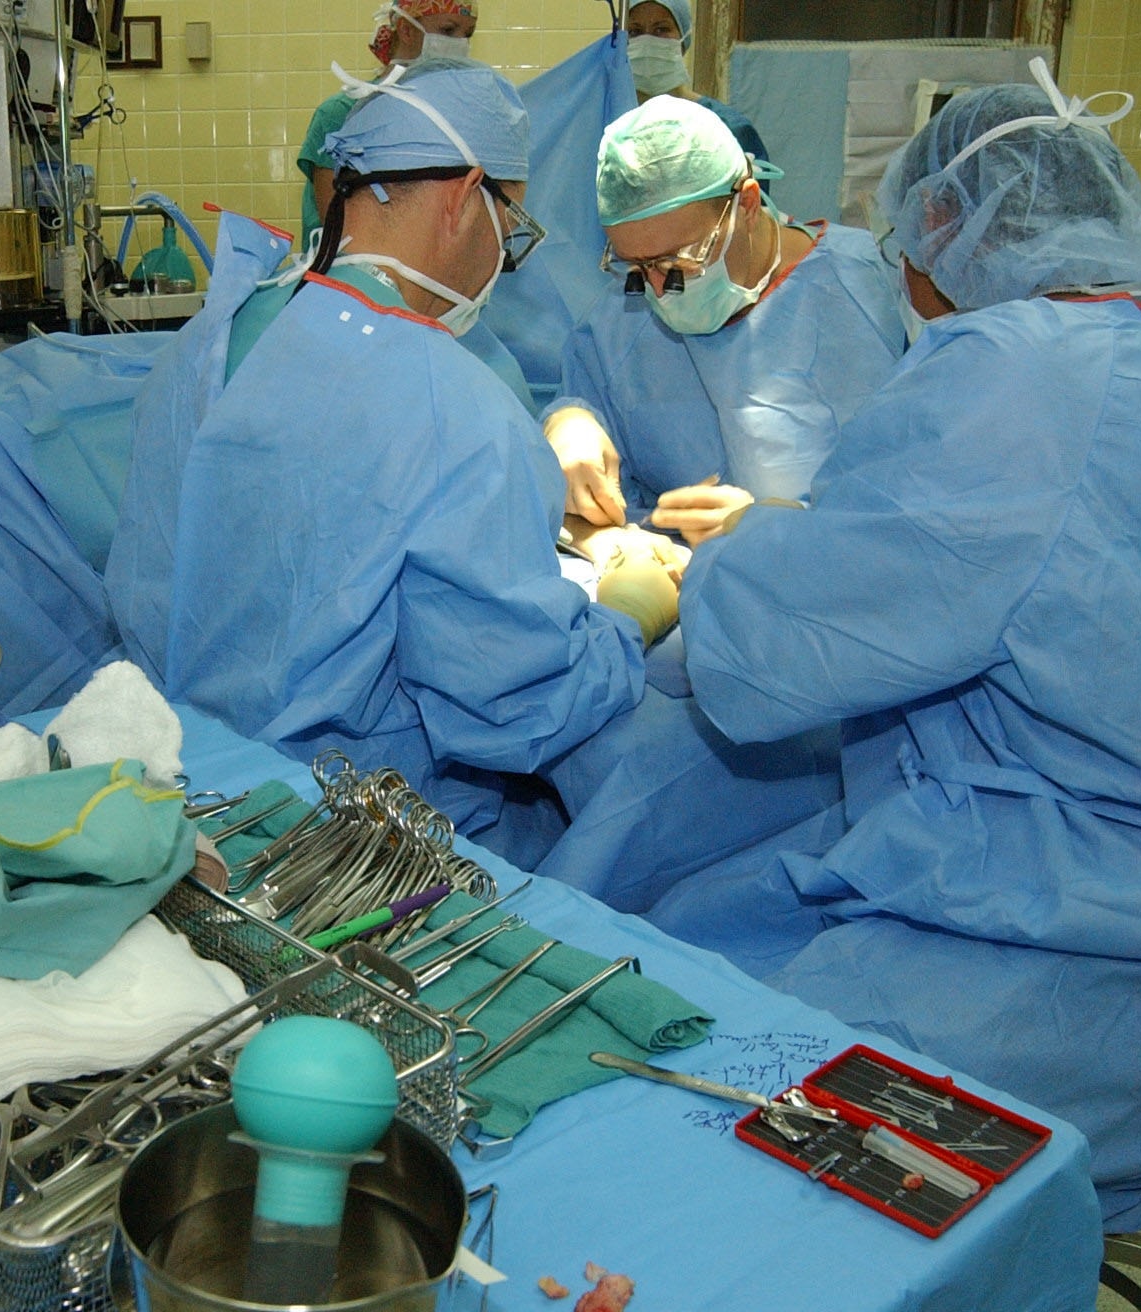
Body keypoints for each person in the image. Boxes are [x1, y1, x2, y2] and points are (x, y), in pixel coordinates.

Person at [654, 66, 1141, 1231]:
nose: (900, 284)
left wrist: (699, 573)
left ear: (945, 235)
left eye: (901, 258)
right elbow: (1027, 564)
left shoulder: (1018, 367)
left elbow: (799, 642)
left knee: (718, 1115)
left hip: (1099, 953)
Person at [106, 60, 822, 875]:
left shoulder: (206, 339)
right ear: (462, 198)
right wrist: (625, 615)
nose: (505, 254)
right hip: (345, 840)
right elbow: (518, 712)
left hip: (169, 784)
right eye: (511, 222)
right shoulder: (455, 405)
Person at [546, 95, 904, 555]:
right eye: (637, 266)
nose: (658, 288)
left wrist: (780, 530)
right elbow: (585, 465)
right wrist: (567, 420)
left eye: (680, 261)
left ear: (748, 205)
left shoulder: (874, 289)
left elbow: (929, 495)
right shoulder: (618, 326)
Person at [296, 1, 478, 247]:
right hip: (349, 274)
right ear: (406, 29)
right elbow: (338, 227)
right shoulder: (340, 114)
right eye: (448, 30)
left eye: (468, 34)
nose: (461, 44)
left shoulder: (449, 119)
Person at [622, 0, 767, 163]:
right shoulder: (608, 124)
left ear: (684, 39)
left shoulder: (729, 129)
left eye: (662, 29)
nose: (647, 41)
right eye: (634, 31)